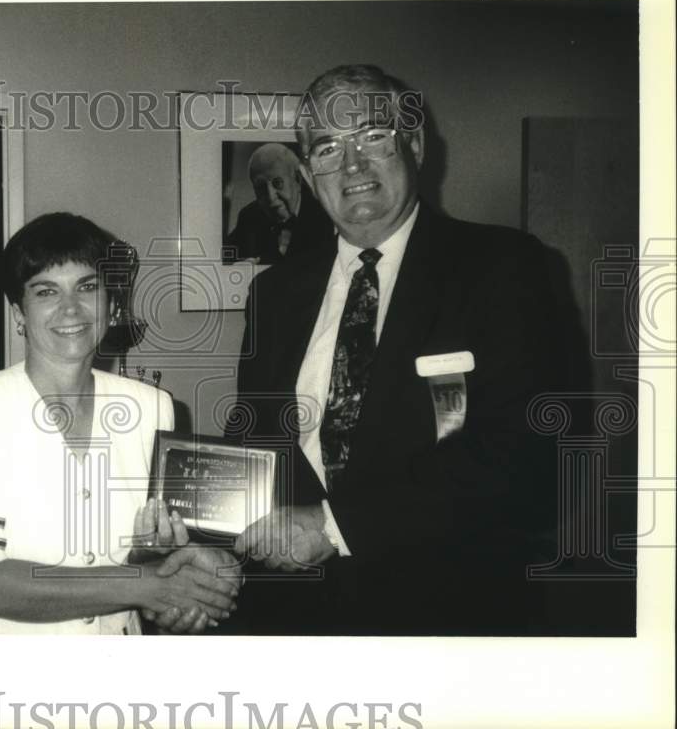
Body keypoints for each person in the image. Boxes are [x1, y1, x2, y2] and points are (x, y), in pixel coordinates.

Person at [226, 65, 565, 635]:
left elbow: (524, 456)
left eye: (372, 137)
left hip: (444, 613)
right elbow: (254, 443)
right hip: (294, 618)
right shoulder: (274, 293)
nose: (352, 165)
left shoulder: (504, 268)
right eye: (328, 147)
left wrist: (334, 528)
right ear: (309, 175)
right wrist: (210, 545)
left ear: (414, 143)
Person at [0, 212, 241, 634]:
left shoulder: (153, 407)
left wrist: (182, 585)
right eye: (46, 291)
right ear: (19, 312)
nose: (70, 308)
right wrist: (147, 587)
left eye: (87, 287)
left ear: (111, 304)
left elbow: (147, 565)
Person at [225, 142, 333, 264]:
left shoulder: (327, 215)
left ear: (297, 179)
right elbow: (221, 257)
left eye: (278, 183)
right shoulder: (249, 217)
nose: (271, 197)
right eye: (261, 187)